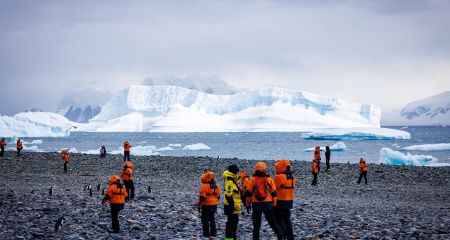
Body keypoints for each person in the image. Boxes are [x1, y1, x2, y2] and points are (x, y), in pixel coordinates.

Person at [245, 162, 283, 240]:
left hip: (256, 204)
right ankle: (280, 237)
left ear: (255, 169)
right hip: (268, 204)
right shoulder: (269, 179)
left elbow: (248, 194)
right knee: (273, 223)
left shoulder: (252, 180)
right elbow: (274, 194)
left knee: (256, 225)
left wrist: (248, 205)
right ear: (265, 170)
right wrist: (274, 205)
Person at [274, 159, 296, 240]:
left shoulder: (278, 177)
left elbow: (273, 189)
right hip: (289, 201)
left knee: (280, 220)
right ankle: (290, 237)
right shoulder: (293, 177)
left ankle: (282, 237)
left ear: (281, 167)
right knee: (287, 219)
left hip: (280, 201)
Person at [197, 171, 220, 238]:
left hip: (206, 205)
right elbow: (218, 196)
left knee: (205, 220)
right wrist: (215, 202)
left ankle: (206, 234)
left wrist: (199, 205)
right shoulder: (216, 186)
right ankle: (213, 233)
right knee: (212, 219)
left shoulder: (205, 186)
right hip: (214, 205)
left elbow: (202, 198)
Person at [223, 164, 241, 240]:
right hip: (231, 205)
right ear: (234, 172)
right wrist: (232, 205)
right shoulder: (230, 181)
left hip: (235, 205)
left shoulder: (234, 180)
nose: (238, 173)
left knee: (234, 222)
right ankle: (229, 238)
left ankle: (233, 237)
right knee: (231, 223)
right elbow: (228, 194)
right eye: (237, 171)